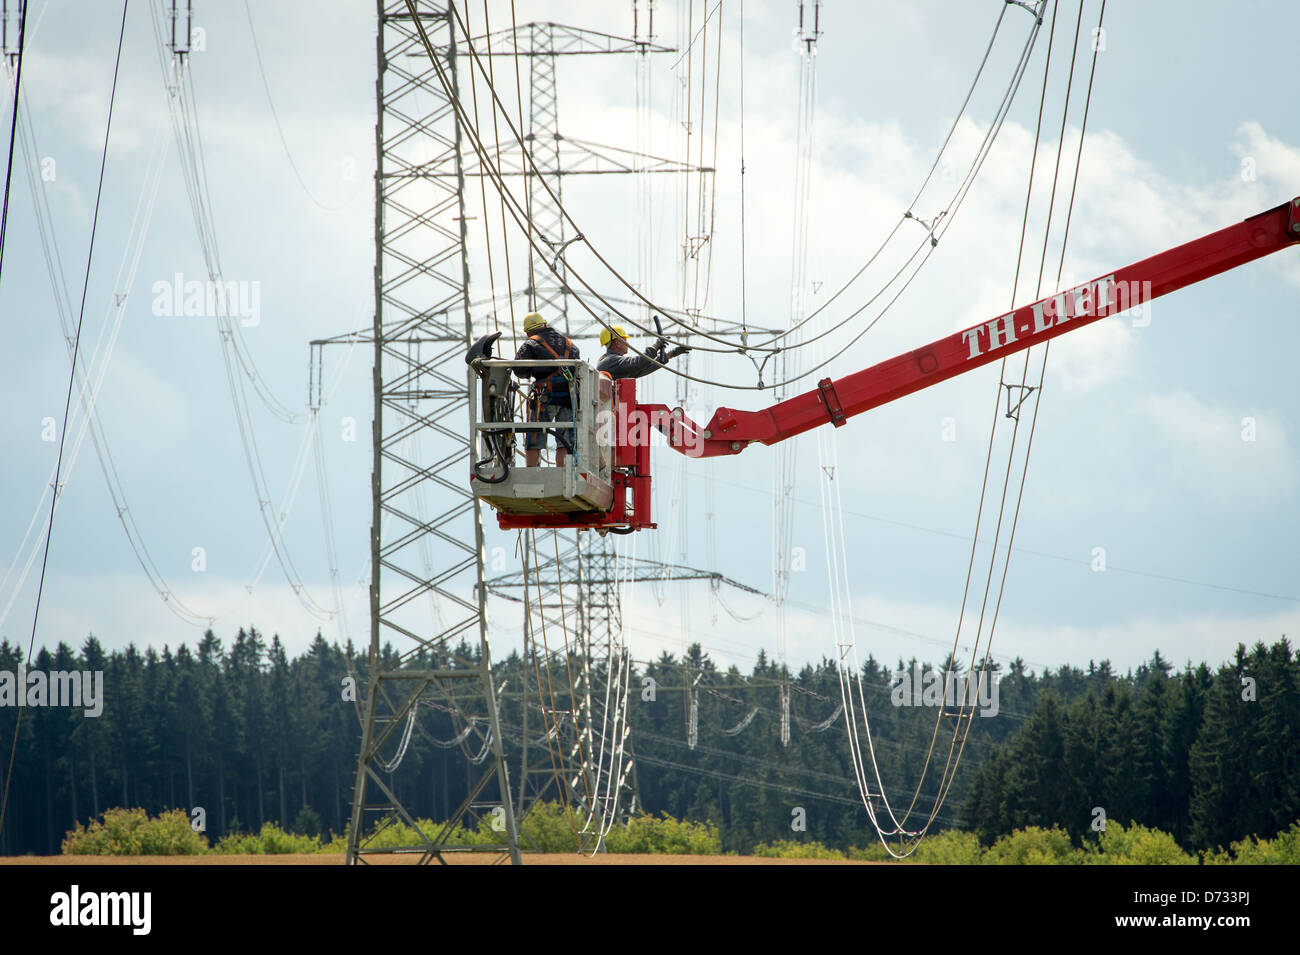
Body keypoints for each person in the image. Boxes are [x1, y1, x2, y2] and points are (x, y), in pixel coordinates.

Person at [514, 312, 578, 467]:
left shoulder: (531, 344)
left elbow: (519, 370)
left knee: (535, 436)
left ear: (528, 332)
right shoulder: (570, 344)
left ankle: (531, 471)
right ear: (545, 324)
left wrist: (533, 371)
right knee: (565, 439)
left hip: (545, 396)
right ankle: (562, 472)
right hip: (568, 398)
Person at [596, 324, 690, 380]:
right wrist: (656, 346)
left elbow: (643, 369)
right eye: (625, 340)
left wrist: (671, 354)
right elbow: (638, 363)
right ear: (617, 343)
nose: (627, 343)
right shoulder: (610, 361)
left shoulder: (614, 364)